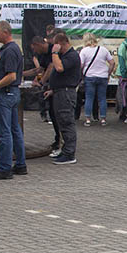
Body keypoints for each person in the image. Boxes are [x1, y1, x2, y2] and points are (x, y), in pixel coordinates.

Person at [0, 20, 28, 180]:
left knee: (5, 132)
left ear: (6, 32)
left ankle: (5, 168)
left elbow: (11, 75)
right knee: (14, 129)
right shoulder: (10, 49)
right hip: (12, 93)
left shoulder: (10, 50)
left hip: (6, 93)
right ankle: (20, 164)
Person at [47, 31, 81, 165]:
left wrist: (54, 53)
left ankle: (69, 153)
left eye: (56, 45)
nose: (54, 48)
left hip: (66, 93)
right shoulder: (65, 56)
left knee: (67, 122)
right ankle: (65, 150)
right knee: (62, 122)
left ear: (61, 44)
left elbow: (59, 68)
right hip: (60, 92)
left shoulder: (71, 56)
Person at [80, 33, 115, 126]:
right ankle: (103, 119)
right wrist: (108, 73)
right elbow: (112, 62)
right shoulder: (103, 50)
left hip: (90, 77)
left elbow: (81, 65)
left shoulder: (84, 51)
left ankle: (88, 119)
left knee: (89, 98)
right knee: (102, 98)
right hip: (103, 77)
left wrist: (81, 74)